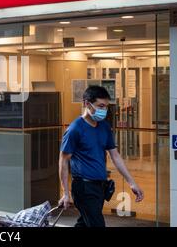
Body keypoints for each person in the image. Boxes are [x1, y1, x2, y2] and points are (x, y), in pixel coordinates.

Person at [58, 86, 144, 227]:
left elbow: (115, 156)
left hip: (100, 187)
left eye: (105, 107)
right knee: (96, 224)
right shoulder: (75, 129)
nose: (103, 110)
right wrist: (66, 193)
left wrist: (131, 182)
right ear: (87, 104)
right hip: (84, 187)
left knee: (85, 224)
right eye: (100, 106)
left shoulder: (104, 127)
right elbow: (63, 161)